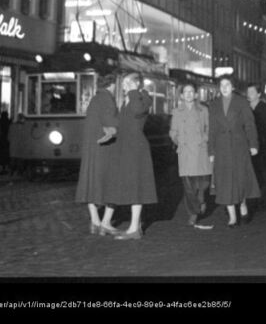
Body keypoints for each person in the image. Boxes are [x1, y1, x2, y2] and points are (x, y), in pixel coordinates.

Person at [102, 73, 158, 240]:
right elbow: (124, 122)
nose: (124, 86)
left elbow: (137, 110)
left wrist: (133, 91)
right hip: (123, 147)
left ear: (136, 84)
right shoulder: (128, 100)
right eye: (124, 83)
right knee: (116, 183)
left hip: (135, 149)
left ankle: (134, 228)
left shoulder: (142, 98)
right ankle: (106, 221)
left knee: (136, 185)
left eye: (127, 83)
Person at [207, 75, 260, 227]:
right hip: (221, 148)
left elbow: (250, 125)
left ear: (233, 87)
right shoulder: (214, 104)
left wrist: (253, 144)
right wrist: (211, 151)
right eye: (222, 85)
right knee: (224, 182)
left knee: (239, 179)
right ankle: (232, 217)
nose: (224, 87)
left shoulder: (242, 102)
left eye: (227, 84)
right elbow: (211, 130)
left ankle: (242, 204)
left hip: (239, 146)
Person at [74, 73, 119, 235]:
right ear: (112, 85)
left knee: (90, 183)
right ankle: (106, 222)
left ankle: (95, 221)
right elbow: (112, 124)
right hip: (106, 149)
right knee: (113, 184)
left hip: (91, 149)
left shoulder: (94, 99)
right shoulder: (108, 99)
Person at [169, 82, 212, 228]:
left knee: (203, 182)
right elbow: (173, 131)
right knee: (188, 186)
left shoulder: (203, 110)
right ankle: (194, 212)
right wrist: (177, 139)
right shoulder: (176, 111)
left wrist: (204, 138)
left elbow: (209, 128)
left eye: (191, 91)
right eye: (185, 92)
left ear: (195, 95)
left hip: (200, 150)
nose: (188, 94)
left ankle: (200, 200)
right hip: (185, 151)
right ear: (181, 96)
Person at [246, 83, 266, 211]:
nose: (249, 95)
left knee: (263, 174)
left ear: (259, 94)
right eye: (248, 92)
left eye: (252, 92)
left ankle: (263, 201)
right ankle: (252, 201)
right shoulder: (245, 107)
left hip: (263, 148)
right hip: (248, 147)